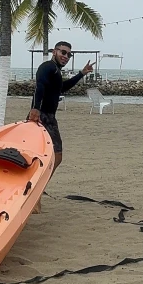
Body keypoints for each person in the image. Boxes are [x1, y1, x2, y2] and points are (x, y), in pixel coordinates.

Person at [28, 42, 93, 202]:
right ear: (54, 51)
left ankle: (34, 193)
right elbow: (40, 86)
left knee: (47, 157)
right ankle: (34, 194)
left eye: (69, 54)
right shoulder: (47, 67)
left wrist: (81, 74)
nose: (66, 56)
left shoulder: (56, 71)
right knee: (54, 157)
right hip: (42, 116)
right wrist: (35, 109)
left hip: (49, 117)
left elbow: (61, 88)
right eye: (63, 52)